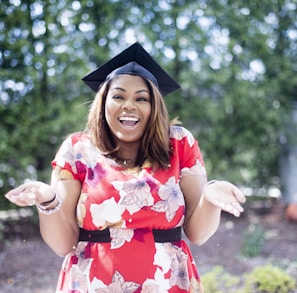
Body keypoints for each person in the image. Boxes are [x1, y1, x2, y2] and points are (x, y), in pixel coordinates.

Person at [5, 42, 246, 292]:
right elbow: (62, 244)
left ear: (154, 107)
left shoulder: (179, 143)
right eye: (118, 96)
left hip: (166, 283)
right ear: (103, 102)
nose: (129, 105)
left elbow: (198, 233)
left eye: (141, 98)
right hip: (93, 283)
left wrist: (210, 196)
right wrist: (48, 200)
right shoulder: (76, 150)